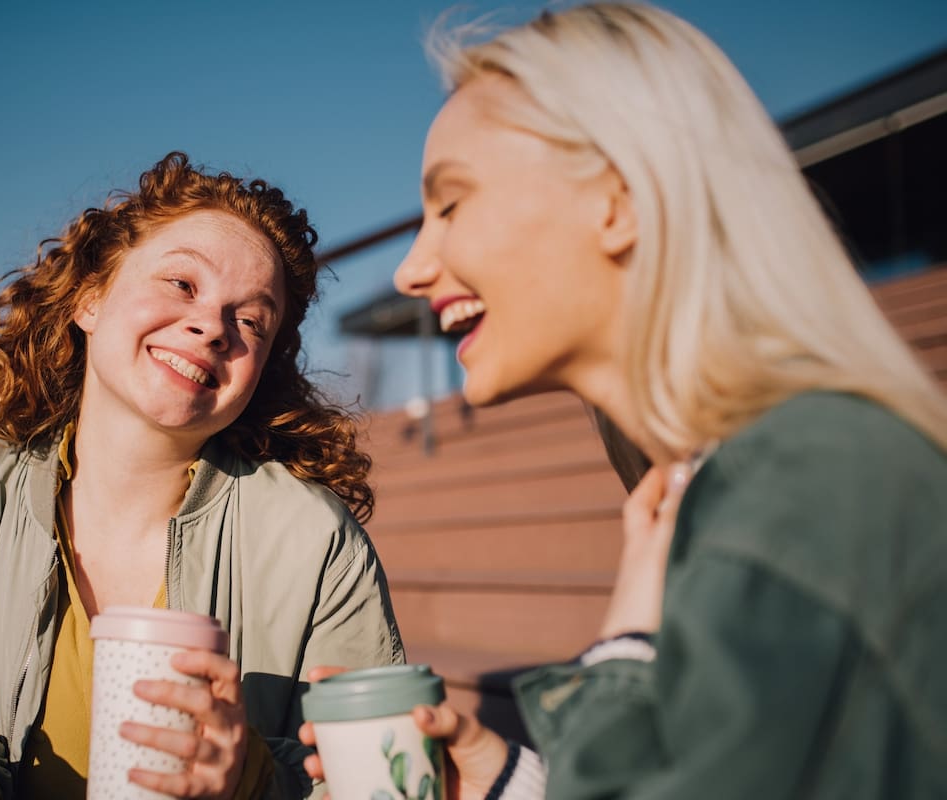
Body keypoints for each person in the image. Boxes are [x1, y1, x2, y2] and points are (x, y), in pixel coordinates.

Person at [302, 3, 947, 797]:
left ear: (621, 199)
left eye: (453, 204)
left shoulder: (813, 485)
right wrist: (510, 780)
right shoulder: (738, 482)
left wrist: (619, 666)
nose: (410, 270)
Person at [0, 152, 404, 799]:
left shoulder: (313, 537)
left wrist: (249, 777)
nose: (212, 326)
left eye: (252, 320)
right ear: (91, 297)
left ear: (262, 366)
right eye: (182, 283)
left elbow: (377, 778)